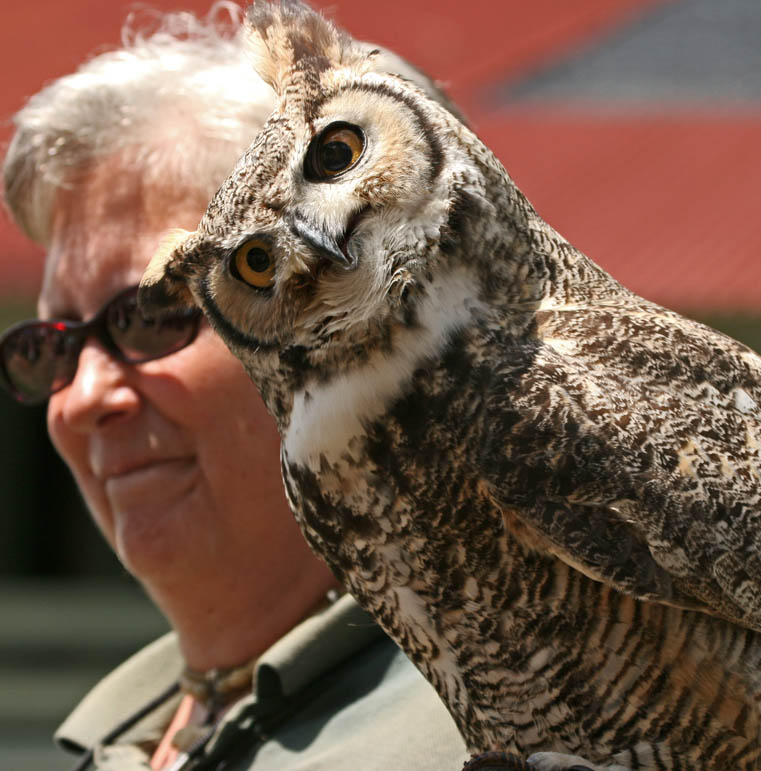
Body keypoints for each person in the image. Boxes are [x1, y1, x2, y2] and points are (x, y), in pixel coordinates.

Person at [0, 6, 469, 770]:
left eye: (150, 314)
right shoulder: (119, 735)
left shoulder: (504, 726)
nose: (83, 397)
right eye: (49, 346)